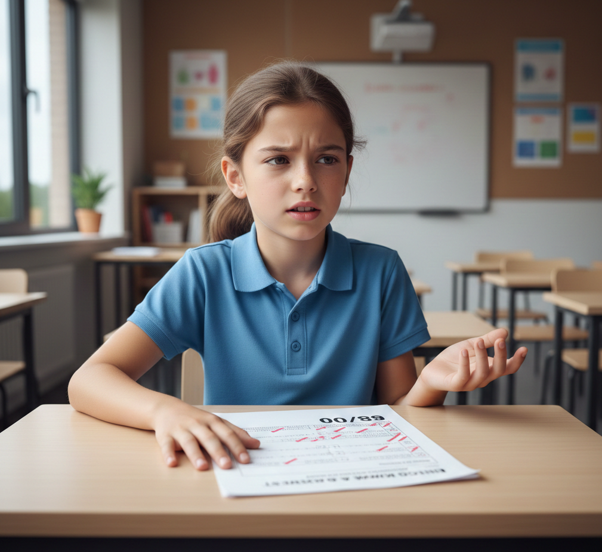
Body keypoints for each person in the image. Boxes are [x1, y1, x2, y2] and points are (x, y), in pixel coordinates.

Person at [69, 62, 527, 473]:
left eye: (326, 159)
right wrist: (165, 411)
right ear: (235, 177)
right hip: (237, 474)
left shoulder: (381, 271)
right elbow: (89, 379)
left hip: (350, 479)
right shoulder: (203, 273)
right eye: (278, 160)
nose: (305, 180)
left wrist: (429, 383)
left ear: (346, 172)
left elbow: (397, 413)